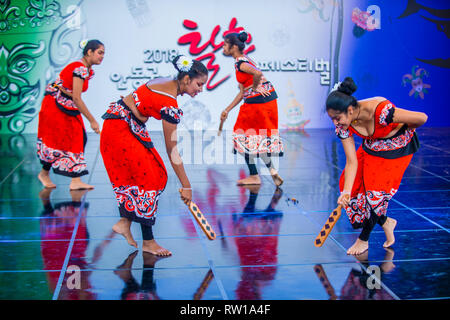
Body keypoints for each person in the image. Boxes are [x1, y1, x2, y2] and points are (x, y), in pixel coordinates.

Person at [100, 55, 208, 256]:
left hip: (121, 123)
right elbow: (172, 150)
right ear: (186, 79)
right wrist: (186, 185)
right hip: (120, 128)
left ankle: (125, 223)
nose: (200, 89)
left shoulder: (163, 81)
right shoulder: (170, 105)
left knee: (150, 174)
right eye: (199, 84)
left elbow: (138, 104)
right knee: (150, 178)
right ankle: (148, 242)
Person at [326, 77, 428, 255]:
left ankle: (363, 240)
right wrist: (346, 192)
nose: (335, 122)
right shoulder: (344, 125)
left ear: (350, 110)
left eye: (337, 118)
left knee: (375, 194)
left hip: (396, 148)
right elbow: (351, 162)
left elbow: (422, 117)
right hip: (372, 146)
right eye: (332, 119)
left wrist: (401, 128)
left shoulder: (382, 112)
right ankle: (386, 222)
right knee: (351, 187)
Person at [37, 39, 104, 190]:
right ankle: (47, 174)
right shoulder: (79, 68)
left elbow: (71, 92)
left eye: (103, 54)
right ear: (89, 52)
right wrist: (93, 121)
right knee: (59, 139)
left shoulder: (84, 69)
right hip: (55, 106)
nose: (102, 56)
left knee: (77, 138)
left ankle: (75, 180)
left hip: (64, 105)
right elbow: (76, 97)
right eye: (100, 52)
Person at [220, 31, 284, 186]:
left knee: (242, 137)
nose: (222, 47)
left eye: (225, 44)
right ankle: (273, 172)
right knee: (257, 138)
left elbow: (257, 74)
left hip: (258, 103)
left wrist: (255, 88)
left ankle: (255, 175)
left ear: (234, 46)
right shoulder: (246, 60)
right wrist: (227, 109)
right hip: (267, 101)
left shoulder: (240, 63)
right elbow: (242, 92)